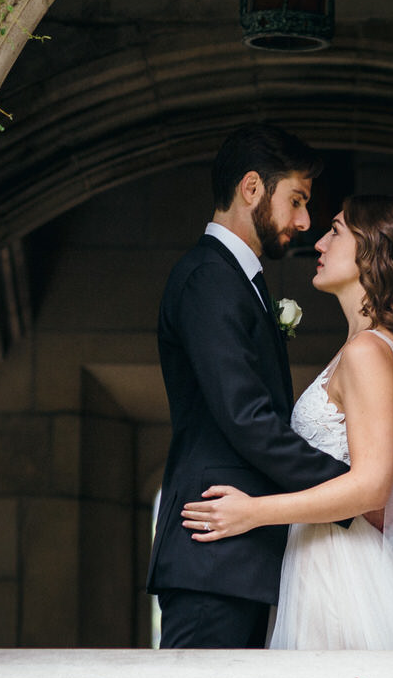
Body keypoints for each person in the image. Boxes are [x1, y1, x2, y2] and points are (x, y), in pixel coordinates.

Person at [181, 195, 393, 650]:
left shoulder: (368, 352)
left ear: (372, 249)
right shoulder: (369, 348)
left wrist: (253, 512)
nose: (320, 242)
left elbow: (371, 487)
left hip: (342, 575)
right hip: (322, 562)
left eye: (336, 230)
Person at [146, 124, 351, 648]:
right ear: (253, 188)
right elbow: (246, 416)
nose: (305, 222)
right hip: (212, 552)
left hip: (237, 556)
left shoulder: (235, 281)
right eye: (297, 201)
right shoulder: (207, 279)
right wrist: (348, 488)